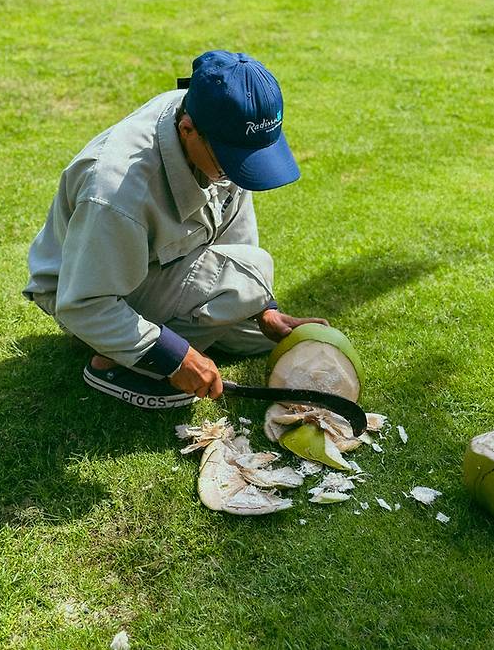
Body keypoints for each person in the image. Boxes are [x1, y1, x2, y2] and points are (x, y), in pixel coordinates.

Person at [23, 50, 327, 409]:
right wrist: (175, 357)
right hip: (85, 291)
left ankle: (155, 340)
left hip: (157, 266)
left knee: (260, 335)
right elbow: (83, 303)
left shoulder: (210, 121)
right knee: (245, 280)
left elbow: (233, 226)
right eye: (232, 165)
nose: (237, 177)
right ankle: (115, 363)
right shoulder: (116, 192)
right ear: (187, 131)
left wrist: (264, 310)